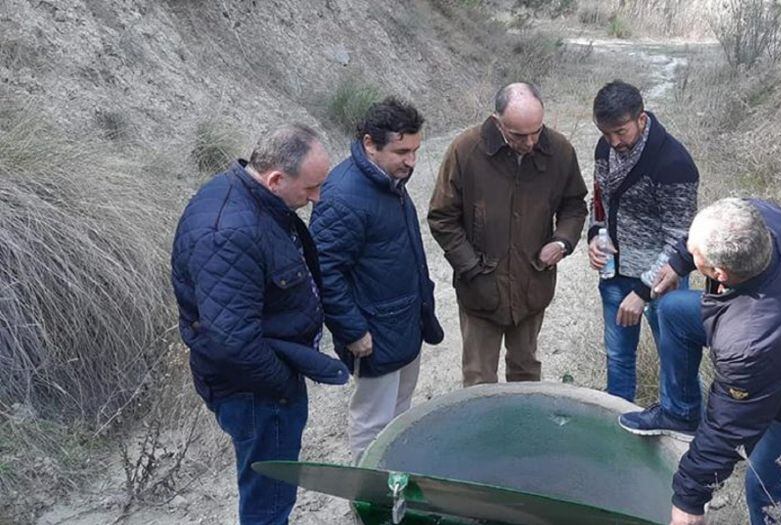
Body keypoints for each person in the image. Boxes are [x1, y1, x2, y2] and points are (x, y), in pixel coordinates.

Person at [621, 198, 781, 525]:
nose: (687, 252)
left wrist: (689, 499)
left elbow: (728, 428)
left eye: (695, 255)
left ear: (720, 273)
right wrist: (679, 262)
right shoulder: (760, 217)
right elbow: (706, 236)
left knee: (764, 483)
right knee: (674, 310)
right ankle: (679, 414)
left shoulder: (752, 340)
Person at [171, 124, 348, 525]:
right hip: (255, 391)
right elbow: (233, 341)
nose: (317, 198)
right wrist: (284, 383)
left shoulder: (257, 201)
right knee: (268, 499)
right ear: (275, 178)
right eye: (311, 188)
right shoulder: (228, 232)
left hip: (262, 380)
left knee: (271, 488)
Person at [309, 98, 444, 461]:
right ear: (370, 144)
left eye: (415, 150)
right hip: (373, 334)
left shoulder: (387, 180)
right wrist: (352, 329)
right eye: (402, 151)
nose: (412, 161)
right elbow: (323, 271)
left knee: (399, 415)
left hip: (403, 323)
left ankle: (395, 484)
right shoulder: (343, 196)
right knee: (373, 423)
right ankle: (370, 499)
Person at [428, 82, 588, 386]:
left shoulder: (560, 151)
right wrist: (473, 268)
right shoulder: (466, 150)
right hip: (481, 289)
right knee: (478, 378)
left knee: (526, 372)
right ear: (497, 121)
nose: (530, 142)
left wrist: (562, 241)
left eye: (536, 131)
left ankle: (522, 431)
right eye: (518, 135)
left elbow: (574, 205)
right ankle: (485, 433)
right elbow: (442, 217)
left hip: (532, 283)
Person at [586, 80, 699, 405]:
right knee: (618, 358)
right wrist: (594, 236)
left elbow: (682, 241)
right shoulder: (604, 148)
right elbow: (599, 202)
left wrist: (643, 292)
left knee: (675, 364)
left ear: (641, 119)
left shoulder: (673, 162)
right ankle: (617, 421)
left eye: (621, 131)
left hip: (662, 282)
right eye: (606, 133)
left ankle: (681, 432)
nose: (613, 141)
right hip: (614, 275)